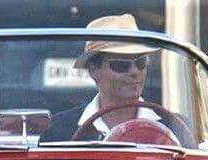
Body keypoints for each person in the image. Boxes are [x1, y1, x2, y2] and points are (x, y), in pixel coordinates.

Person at [40, 13, 192, 145]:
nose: (134, 72)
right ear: (94, 70)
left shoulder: (175, 127)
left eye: (141, 62)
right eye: (121, 65)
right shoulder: (58, 130)